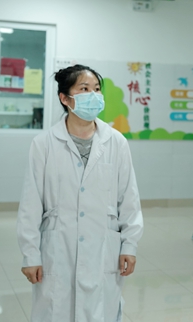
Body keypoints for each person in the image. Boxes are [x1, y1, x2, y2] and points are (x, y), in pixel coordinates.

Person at [17, 64, 144, 322]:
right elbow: (31, 204)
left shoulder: (116, 142)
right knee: (56, 311)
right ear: (65, 98)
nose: (93, 95)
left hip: (103, 249)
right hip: (57, 249)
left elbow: (129, 199)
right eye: (84, 89)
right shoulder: (43, 144)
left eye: (97, 89)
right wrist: (30, 255)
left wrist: (129, 245)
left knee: (101, 311)